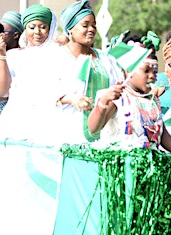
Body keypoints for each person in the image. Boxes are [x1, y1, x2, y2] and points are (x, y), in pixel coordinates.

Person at [87, 42, 171, 154]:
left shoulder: (152, 100)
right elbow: (93, 128)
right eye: (146, 71)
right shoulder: (118, 97)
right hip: (122, 166)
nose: (152, 76)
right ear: (129, 71)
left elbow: (162, 133)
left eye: (155, 72)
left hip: (149, 165)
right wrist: (103, 102)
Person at [51, 0, 123, 144]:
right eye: (85, 25)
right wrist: (70, 98)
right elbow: (42, 95)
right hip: (67, 136)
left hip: (104, 138)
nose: (91, 29)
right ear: (70, 29)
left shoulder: (106, 58)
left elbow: (118, 89)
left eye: (94, 25)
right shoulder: (56, 58)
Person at [0, 4, 62, 140]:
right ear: (25, 29)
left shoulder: (59, 54)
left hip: (48, 120)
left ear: (50, 28)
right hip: (17, 120)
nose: (37, 32)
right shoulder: (14, 55)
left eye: (43, 27)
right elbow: (2, 91)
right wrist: (1, 54)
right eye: (32, 27)